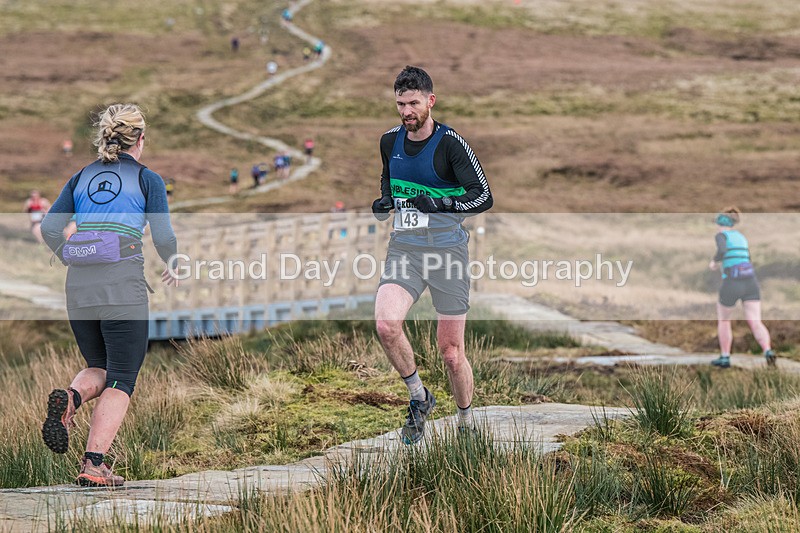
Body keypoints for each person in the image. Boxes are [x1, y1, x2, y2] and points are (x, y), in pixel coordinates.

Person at [40, 103, 179, 487]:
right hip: (123, 284)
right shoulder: (147, 179)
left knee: (99, 367)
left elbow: (51, 228)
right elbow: (164, 235)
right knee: (121, 378)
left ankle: (71, 397)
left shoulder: (80, 176)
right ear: (141, 139)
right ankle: (94, 463)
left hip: (79, 287)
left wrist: (68, 252)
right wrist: (174, 260)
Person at [371, 66, 493, 444]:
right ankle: (419, 397)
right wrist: (385, 202)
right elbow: (388, 179)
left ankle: (466, 422)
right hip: (405, 249)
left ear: (430, 101)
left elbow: (483, 197)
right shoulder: (389, 141)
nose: (406, 111)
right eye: (400, 104)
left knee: (451, 352)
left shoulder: (450, 144)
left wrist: (439, 203)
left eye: (413, 103)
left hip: (446, 253)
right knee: (386, 325)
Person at [708, 207, 776, 368]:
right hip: (751, 282)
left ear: (720, 223)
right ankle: (768, 351)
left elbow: (722, 250)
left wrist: (714, 262)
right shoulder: (741, 237)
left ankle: (725, 357)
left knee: (724, 320)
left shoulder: (721, 235)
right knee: (755, 321)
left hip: (732, 282)